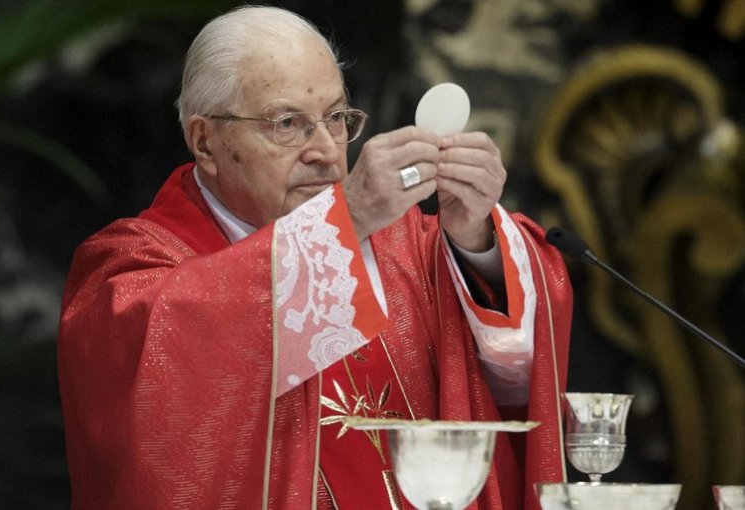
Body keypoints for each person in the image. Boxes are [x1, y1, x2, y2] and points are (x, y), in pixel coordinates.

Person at [58, 5, 572, 510]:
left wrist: (474, 237)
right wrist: (344, 220)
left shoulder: (407, 247)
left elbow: (517, 365)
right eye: (288, 124)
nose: (326, 150)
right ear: (206, 142)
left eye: (337, 119)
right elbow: (160, 375)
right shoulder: (128, 269)